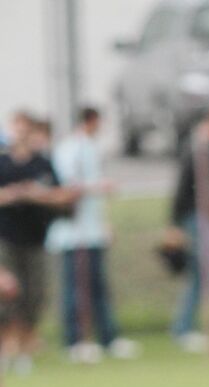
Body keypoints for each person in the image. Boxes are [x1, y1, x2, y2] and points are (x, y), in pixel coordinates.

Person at [48, 107, 132, 362]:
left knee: (98, 287)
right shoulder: (69, 149)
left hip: (93, 231)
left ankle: (108, 338)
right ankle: (76, 340)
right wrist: (99, 187)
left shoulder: (91, 148)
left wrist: (104, 225)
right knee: (76, 288)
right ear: (90, 121)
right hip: (74, 233)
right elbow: (66, 187)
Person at [0, 111, 79, 372]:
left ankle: (25, 346)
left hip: (36, 238)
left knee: (35, 294)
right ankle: (7, 346)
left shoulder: (42, 164)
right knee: (8, 294)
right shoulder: (3, 163)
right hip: (6, 239)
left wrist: (36, 195)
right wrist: (11, 195)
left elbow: (62, 196)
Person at [164, 107, 209, 352]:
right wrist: (174, 224)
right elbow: (183, 186)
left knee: (197, 278)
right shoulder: (198, 147)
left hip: (208, 216)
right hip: (197, 218)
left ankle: (181, 329)